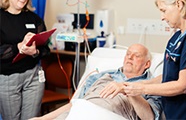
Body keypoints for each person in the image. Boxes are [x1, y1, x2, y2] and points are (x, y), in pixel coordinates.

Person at [110, 0, 186, 119]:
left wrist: (141, 89)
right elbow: (169, 75)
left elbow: (184, 85)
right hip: (176, 114)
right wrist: (135, 84)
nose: (162, 17)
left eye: (163, 10)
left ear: (179, 4)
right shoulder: (177, 36)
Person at [30, 43, 162, 120]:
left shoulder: (151, 85)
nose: (130, 57)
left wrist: (129, 90)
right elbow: (76, 104)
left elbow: (149, 118)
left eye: (137, 56)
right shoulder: (104, 75)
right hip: (78, 113)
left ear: (147, 64)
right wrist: (42, 118)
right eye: (128, 54)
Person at [0, 0, 50, 120]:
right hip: (7, 79)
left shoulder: (34, 19)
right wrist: (18, 47)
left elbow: (46, 50)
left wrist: (36, 51)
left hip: (33, 77)